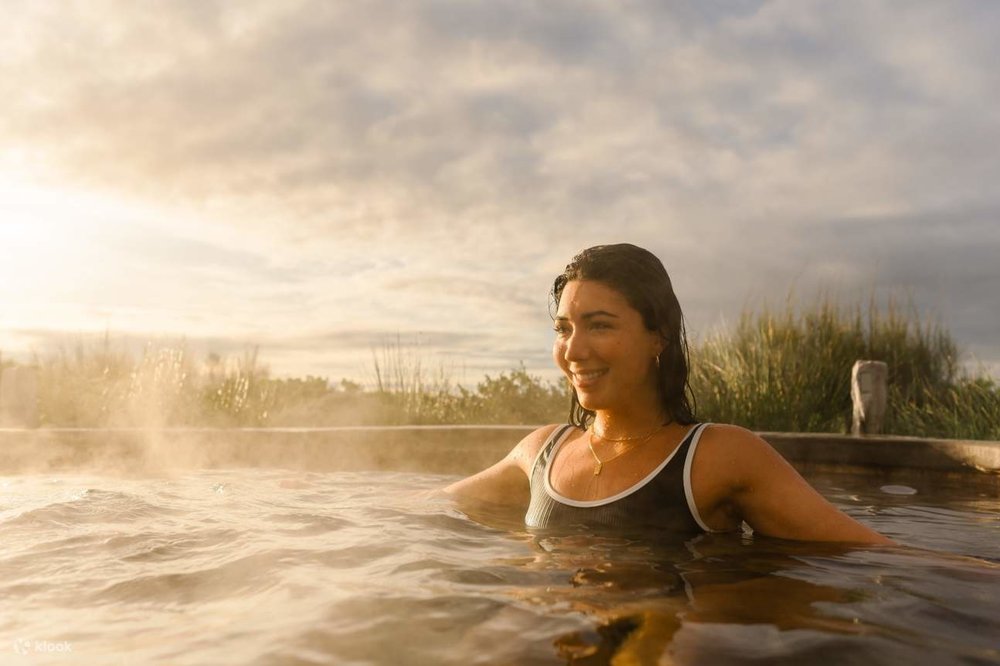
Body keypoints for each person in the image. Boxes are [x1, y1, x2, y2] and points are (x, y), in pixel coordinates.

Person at [444, 243, 893, 544]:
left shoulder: (716, 455)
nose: (574, 350)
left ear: (657, 337)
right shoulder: (543, 451)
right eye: (563, 329)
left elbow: (870, 552)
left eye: (600, 325)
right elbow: (430, 508)